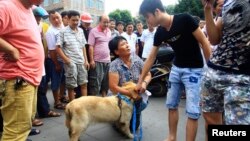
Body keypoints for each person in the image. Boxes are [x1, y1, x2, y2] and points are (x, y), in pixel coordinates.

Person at [137, 0, 211, 141]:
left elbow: (204, 42)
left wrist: (211, 70)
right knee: (171, 105)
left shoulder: (185, 19)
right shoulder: (160, 32)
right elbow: (151, 57)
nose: (147, 21)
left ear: (157, 11)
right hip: (176, 69)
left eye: (147, 17)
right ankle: (172, 137)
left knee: (192, 111)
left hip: (194, 70)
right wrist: (140, 81)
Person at [202, 0, 250, 140]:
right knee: (211, 121)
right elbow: (215, 39)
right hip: (213, 71)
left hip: (241, 77)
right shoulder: (229, 2)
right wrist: (208, 10)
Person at [0, 0, 45, 140]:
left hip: (29, 78)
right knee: (15, 133)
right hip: (18, 78)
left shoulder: (29, 9)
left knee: (23, 127)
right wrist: (11, 49)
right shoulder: (6, 6)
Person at [108, 36, 151, 132]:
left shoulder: (137, 59)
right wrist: (131, 94)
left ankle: (132, 114)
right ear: (117, 52)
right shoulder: (114, 64)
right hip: (120, 96)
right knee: (122, 127)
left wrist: (144, 83)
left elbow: (148, 74)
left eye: (126, 43)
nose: (127, 45)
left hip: (136, 94)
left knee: (133, 127)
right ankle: (115, 118)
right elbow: (113, 87)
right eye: (123, 44)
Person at [56, 10, 89, 101]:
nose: (75, 22)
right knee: (71, 86)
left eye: (77, 20)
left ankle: (84, 106)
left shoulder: (81, 31)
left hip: (81, 62)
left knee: (84, 84)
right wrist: (67, 60)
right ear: (68, 19)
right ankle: (73, 107)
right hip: (71, 63)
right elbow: (58, 48)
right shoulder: (63, 31)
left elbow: (83, 46)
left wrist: (86, 61)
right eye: (73, 20)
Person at [45, 11, 66, 109]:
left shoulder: (64, 28)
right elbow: (52, 50)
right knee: (56, 81)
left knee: (63, 80)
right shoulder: (50, 32)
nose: (56, 20)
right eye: (53, 18)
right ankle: (56, 102)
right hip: (54, 61)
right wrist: (56, 64)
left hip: (64, 60)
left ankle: (61, 96)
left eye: (58, 17)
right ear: (50, 20)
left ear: (61, 17)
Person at [88, 14, 112, 97]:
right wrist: (91, 60)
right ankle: (93, 102)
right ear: (100, 22)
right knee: (95, 83)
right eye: (104, 22)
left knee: (106, 82)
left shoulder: (109, 31)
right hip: (97, 61)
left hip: (107, 61)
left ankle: (104, 99)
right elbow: (91, 46)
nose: (106, 24)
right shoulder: (93, 31)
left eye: (107, 22)